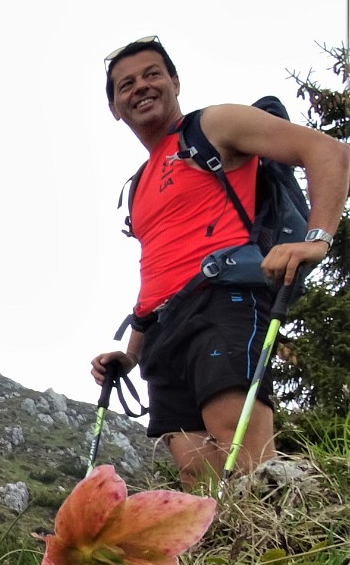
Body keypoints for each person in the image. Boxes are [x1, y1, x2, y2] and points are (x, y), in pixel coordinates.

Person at [91, 37, 350, 491]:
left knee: (240, 451)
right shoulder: (139, 185)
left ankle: (289, 547)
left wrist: (318, 238)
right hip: (163, 334)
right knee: (197, 475)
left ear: (174, 81)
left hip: (222, 300)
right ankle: (231, 560)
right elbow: (158, 268)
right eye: (125, 84)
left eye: (153, 74)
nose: (141, 87)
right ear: (114, 107)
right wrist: (131, 354)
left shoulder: (213, 125)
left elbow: (329, 152)